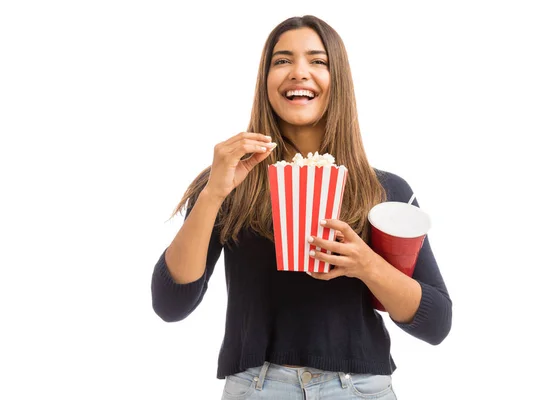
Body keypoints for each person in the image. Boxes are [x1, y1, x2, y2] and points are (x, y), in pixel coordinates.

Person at [151, 15, 452, 400]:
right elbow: (170, 304)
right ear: (265, 80)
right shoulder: (230, 181)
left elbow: (436, 323)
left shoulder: (385, 190)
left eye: (317, 61)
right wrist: (212, 194)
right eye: (282, 61)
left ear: (337, 79)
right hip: (256, 387)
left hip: (358, 389)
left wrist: (366, 265)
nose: (299, 73)